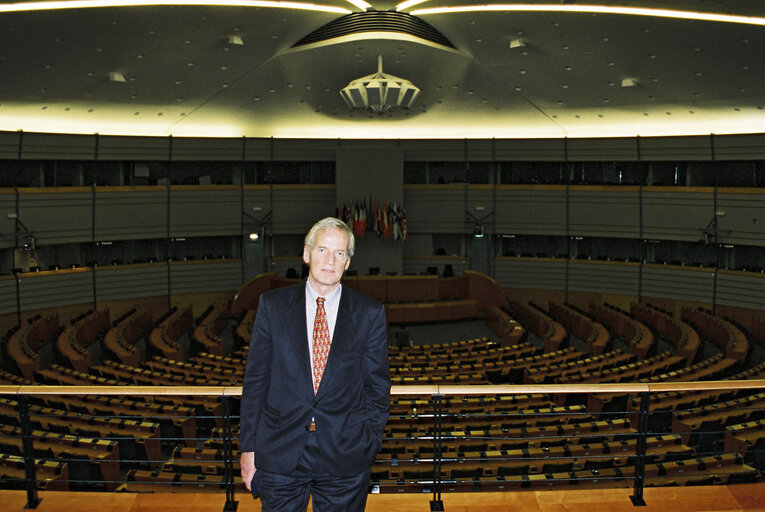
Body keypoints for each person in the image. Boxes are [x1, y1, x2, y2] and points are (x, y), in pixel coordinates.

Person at [240, 217, 390, 512]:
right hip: (280, 451)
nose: (330, 261)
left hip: (346, 454)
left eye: (339, 253)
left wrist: (369, 441)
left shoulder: (369, 312)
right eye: (322, 250)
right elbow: (256, 381)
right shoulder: (272, 305)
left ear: (348, 262)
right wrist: (248, 449)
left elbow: (377, 386)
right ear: (306, 254)